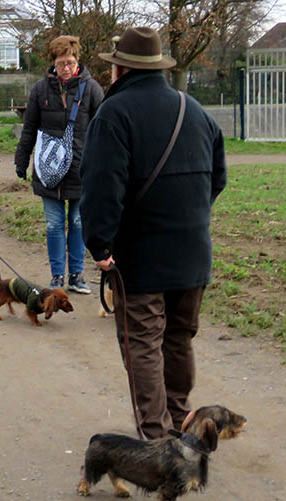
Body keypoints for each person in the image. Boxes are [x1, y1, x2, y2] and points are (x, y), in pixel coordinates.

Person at [80, 27, 227, 439]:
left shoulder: (114, 114)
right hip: (193, 252)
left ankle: (158, 438)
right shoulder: (194, 109)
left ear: (119, 69)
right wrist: (191, 217)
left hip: (140, 256)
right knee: (178, 340)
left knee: (143, 343)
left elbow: (102, 187)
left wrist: (101, 245)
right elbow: (218, 178)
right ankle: (181, 422)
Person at [14, 35, 104, 294]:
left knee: (78, 223)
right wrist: (21, 160)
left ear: (78, 61)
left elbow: (105, 129)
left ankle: (76, 274)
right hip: (48, 169)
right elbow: (29, 128)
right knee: (54, 225)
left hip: (82, 169)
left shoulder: (93, 90)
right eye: (62, 62)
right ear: (53, 63)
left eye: (71, 62)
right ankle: (57, 276)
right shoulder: (40, 90)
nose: (67, 67)